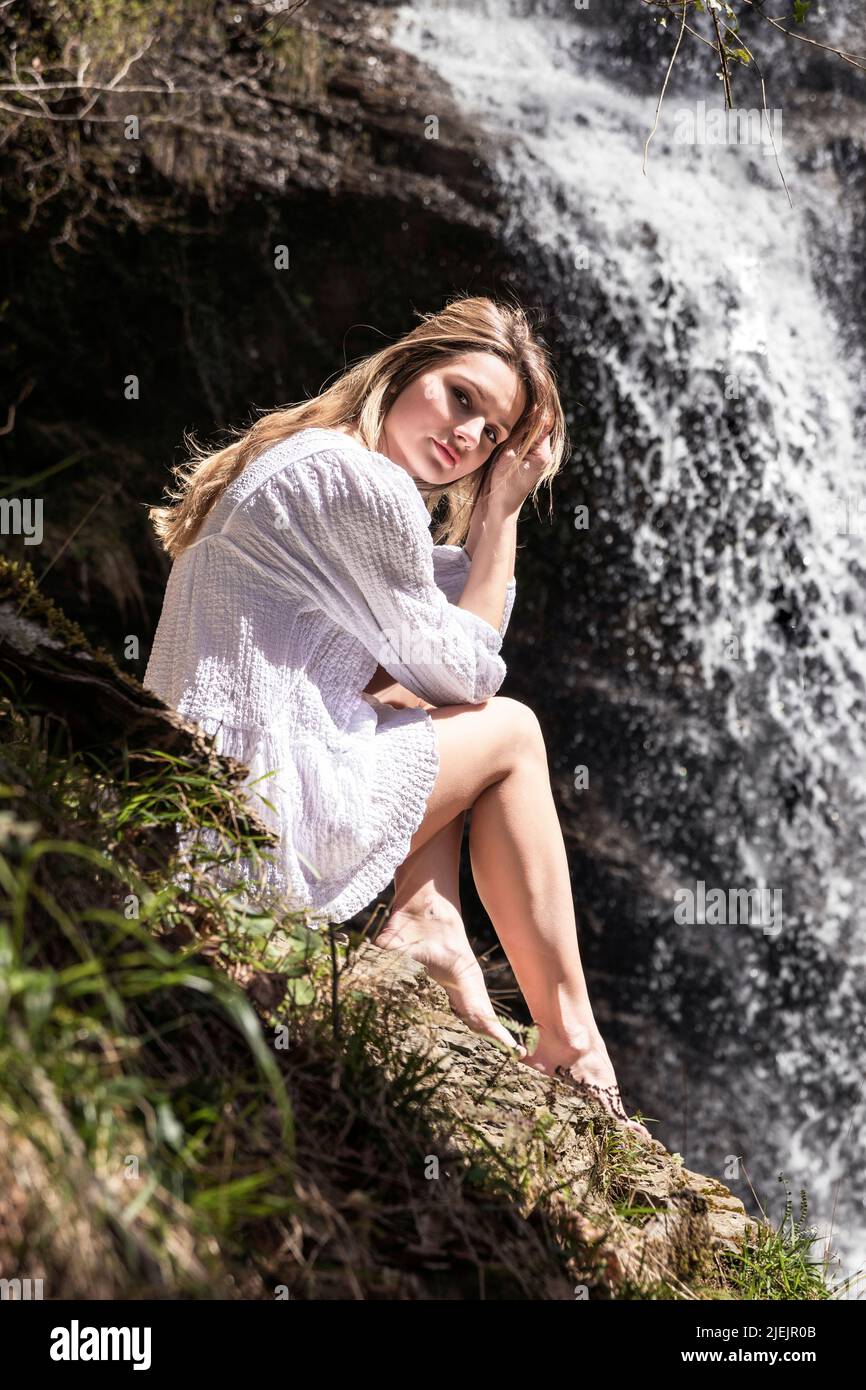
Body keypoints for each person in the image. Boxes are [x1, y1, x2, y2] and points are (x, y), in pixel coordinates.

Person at [145, 293, 650, 1138]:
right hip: (254, 811)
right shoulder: (357, 479)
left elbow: (434, 636)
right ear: (407, 367)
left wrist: (489, 518)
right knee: (513, 732)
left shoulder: (314, 457)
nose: (468, 438)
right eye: (462, 398)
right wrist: (500, 511)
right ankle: (573, 1042)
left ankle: (427, 921)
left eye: (491, 435)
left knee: (404, 698)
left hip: (214, 795)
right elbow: (470, 667)